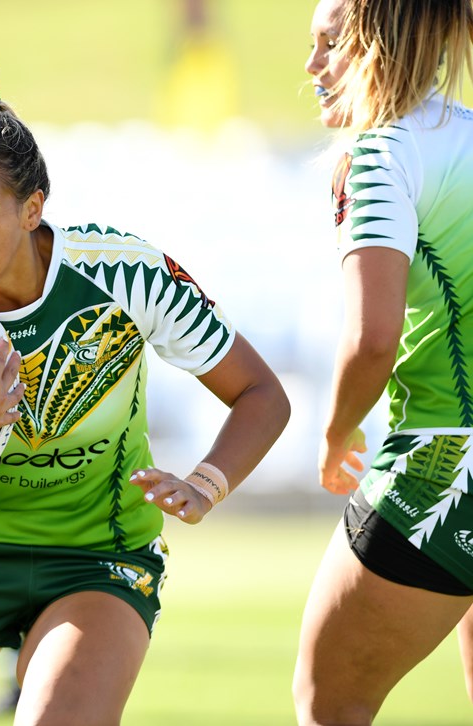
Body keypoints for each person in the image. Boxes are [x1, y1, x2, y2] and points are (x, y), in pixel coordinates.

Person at [0, 50, 290, 726]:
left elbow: (261, 393)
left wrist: (207, 483)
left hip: (97, 561)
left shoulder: (123, 274)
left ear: (33, 208)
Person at [294, 2, 473, 723]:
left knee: (329, 702)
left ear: (376, 47)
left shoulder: (379, 156)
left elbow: (373, 339)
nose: (312, 66)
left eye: (329, 44)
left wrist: (336, 432)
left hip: (445, 465)